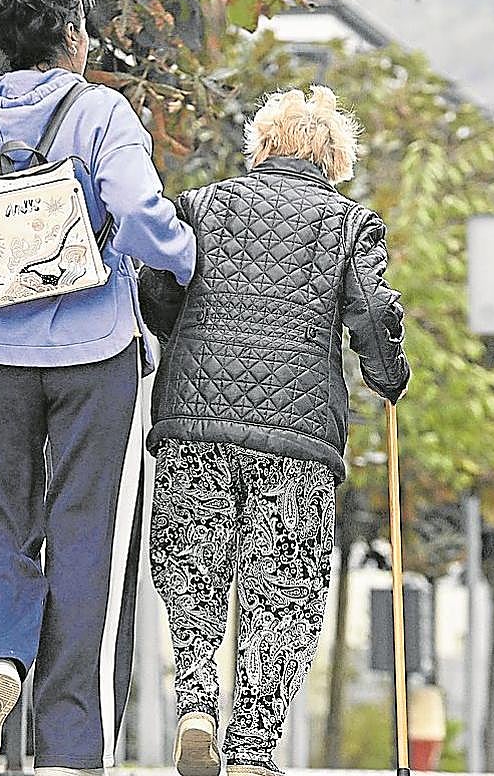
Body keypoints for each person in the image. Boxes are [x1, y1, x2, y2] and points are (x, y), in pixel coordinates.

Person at [0, 0, 196, 776]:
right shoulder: (101, 115)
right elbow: (141, 216)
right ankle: (71, 750)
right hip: (95, 356)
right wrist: (182, 260)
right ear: (72, 36)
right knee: (87, 542)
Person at [139, 86, 411, 776]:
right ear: (333, 160)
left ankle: (197, 701)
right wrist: (387, 377)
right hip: (295, 440)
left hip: (191, 425)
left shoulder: (198, 207)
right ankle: (253, 751)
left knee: (192, 569)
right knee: (283, 589)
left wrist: (187, 343)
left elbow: (155, 289)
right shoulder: (350, 224)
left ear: (260, 146)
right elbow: (373, 315)